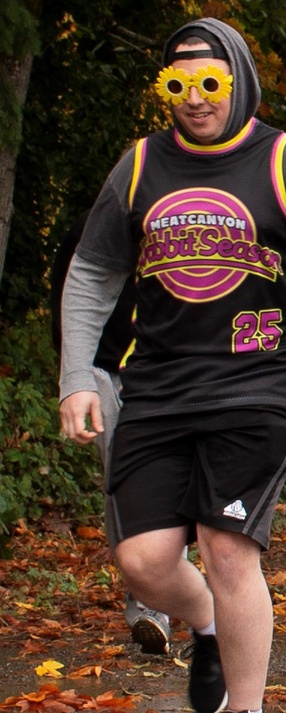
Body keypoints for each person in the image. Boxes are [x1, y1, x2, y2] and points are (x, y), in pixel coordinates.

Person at [58, 19, 286, 713]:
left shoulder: (283, 161)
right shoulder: (140, 166)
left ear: (238, 79)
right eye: (179, 85)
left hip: (255, 384)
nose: (196, 100)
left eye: (212, 83)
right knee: (141, 560)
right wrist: (79, 373)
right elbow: (93, 272)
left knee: (228, 547)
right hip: (156, 388)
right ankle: (205, 623)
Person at [51, 209, 175, 656]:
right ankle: (148, 606)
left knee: (166, 486)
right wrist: (75, 378)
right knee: (125, 484)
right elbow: (67, 303)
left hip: (163, 376)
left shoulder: (177, 225)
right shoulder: (88, 230)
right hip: (104, 375)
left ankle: (178, 594)